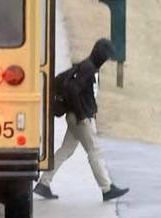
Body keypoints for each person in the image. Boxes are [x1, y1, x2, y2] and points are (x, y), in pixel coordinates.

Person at [34, 38, 130, 203]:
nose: (106, 60)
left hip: (75, 117)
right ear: (100, 55)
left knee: (66, 150)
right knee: (94, 150)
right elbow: (73, 89)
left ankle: (44, 183)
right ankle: (107, 188)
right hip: (79, 119)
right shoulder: (88, 68)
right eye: (106, 57)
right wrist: (82, 115)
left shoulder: (86, 66)